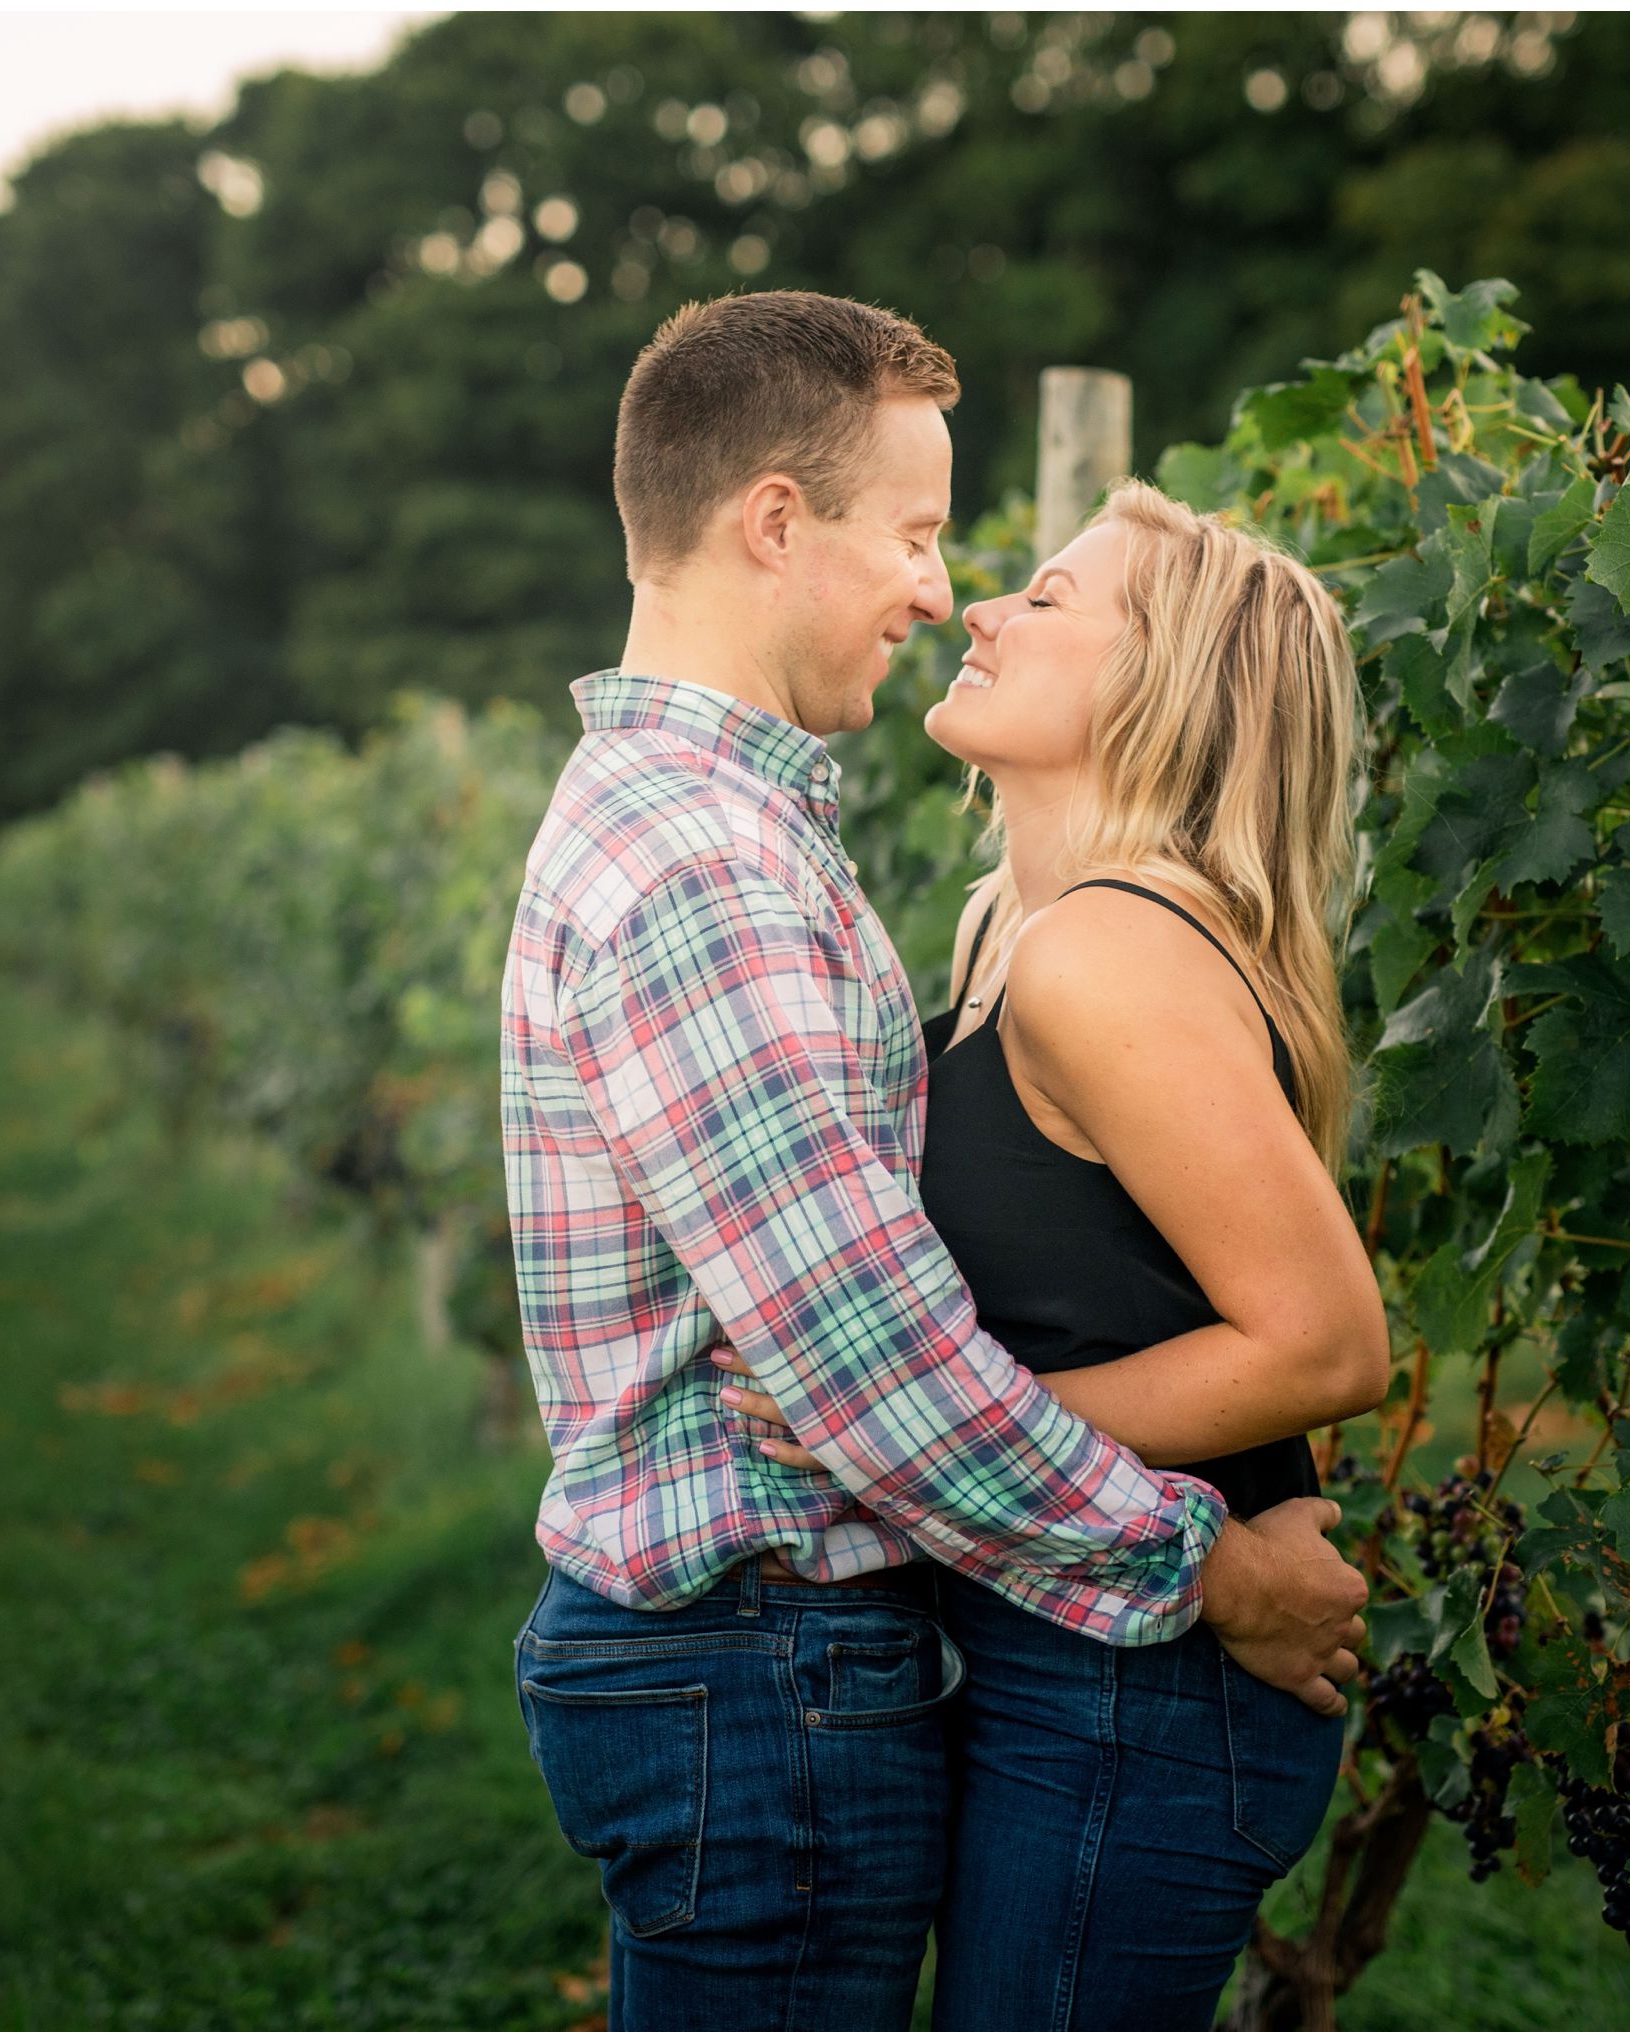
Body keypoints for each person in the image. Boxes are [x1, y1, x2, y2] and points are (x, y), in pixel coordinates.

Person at [498, 290, 1373, 2031]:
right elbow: (872, 1374)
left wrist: (893, 1416)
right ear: (772, 523)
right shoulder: (718, 868)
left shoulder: (827, 871)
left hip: (999, 1682)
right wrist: (1202, 1560)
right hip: (778, 1657)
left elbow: (887, 1378)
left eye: (1031, 587)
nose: (943, 587)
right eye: (915, 534)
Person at [717, 479, 1390, 2026]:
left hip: (1147, 1699)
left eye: (1051, 599)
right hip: (1072, 1643)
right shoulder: (1005, 929)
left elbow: (1325, 1348)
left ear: (1166, 686)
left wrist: (903, 1427)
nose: (981, 611)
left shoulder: (1110, 952)